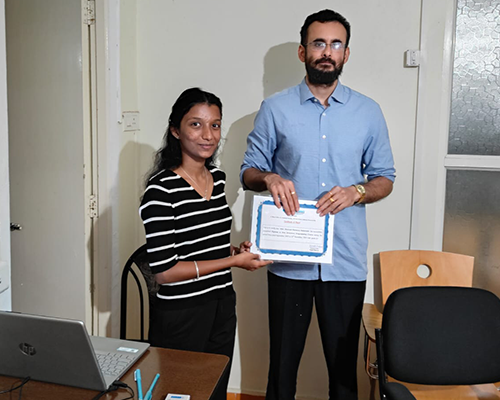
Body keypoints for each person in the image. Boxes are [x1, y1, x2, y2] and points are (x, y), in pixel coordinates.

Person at [240, 9, 395, 400]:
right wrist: (269, 178)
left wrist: (357, 192)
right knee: (282, 368)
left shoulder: (368, 112)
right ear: (302, 51)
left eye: (336, 44)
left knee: (343, 373)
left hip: (344, 260)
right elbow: (248, 171)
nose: (327, 52)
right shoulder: (275, 108)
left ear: (346, 53)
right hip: (288, 258)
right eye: (319, 43)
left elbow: (384, 178)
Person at [140, 87, 271, 400]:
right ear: (176, 130)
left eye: (215, 125)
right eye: (195, 124)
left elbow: (203, 243)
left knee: (215, 391)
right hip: (181, 312)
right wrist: (233, 262)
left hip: (222, 302)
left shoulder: (218, 178)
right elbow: (165, 272)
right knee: (180, 393)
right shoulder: (160, 191)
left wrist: (234, 251)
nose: (208, 135)